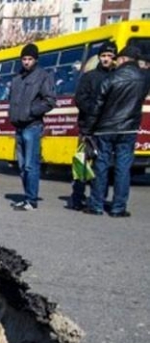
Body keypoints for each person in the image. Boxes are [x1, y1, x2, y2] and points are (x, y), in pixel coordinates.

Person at [87, 45, 150, 217]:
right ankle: (118, 208)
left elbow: (97, 106)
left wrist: (89, 129)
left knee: (101, 166)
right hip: (129, 129)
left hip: (105, 129)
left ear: (122, 59)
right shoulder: (144, 79)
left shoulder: (110, 78)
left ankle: (96, 205)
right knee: (123, 168)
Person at [9, 43, 56, 211]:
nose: (26, 62)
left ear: (35, 60)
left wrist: (31, 111)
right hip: (19, 126)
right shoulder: (17, 78)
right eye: (24, 59)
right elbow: (12, 101)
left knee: (30, 165)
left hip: (32, 125)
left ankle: (31, 199)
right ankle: (27, 196)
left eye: (29, 59)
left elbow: (50, 100)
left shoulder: (43, 76)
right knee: (21, 166)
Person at [71, 42, 116, 211]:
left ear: (114, 58)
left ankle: (98, 198)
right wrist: (94, 110)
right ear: (99, 57)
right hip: (87, 127)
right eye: (103, 56)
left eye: (109, 56)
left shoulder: (116, 76)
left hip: (106, 128)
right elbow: (80, 99)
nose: (106, 59)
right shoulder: (89, 77)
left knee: (102, 166)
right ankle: (77, 197)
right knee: (81, 164)